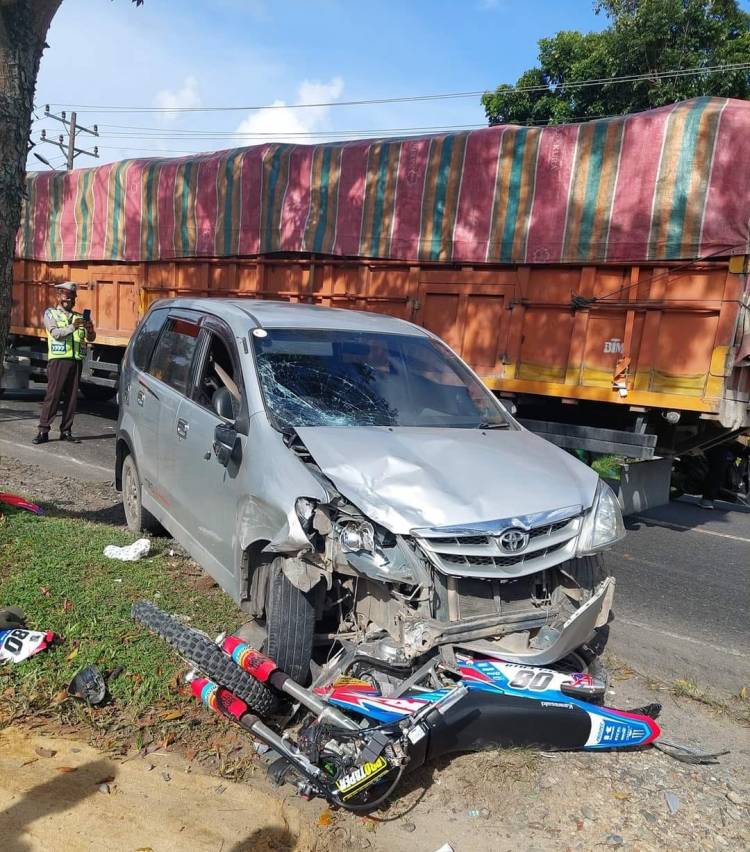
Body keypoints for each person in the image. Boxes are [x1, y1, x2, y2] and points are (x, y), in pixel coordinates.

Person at [32, 282, 95, 445]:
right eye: (66, 297)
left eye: (72, 298)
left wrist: (90, 329)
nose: (69, 300)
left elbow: (91, 339)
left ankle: (66, 431)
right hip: (58, 360)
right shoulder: (51, 314)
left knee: (72, 398)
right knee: (53, 396)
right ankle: (43, 431)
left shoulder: (78, 317)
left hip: (76, 361)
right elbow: (55, 334)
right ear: (58, 297)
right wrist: (72, 327)